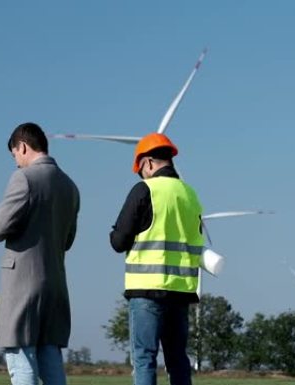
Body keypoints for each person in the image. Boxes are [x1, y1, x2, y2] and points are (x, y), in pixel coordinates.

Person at [109, 133, 203, 385]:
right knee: (178, 359)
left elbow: (119, 242)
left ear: (148, 163)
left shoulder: (145, 190)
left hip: (147, 291)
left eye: (141, 169)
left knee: (144, 357)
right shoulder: (190, 194)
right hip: (181, 292)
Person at [0, 122, 80, 385]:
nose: (17, 162)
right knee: (50, 357)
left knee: (21, 359)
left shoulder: (24, 178)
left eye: (15, 155)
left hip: (23, 285)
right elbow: (68, 240)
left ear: (22, 146)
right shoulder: (70, 186)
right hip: (55, 282)